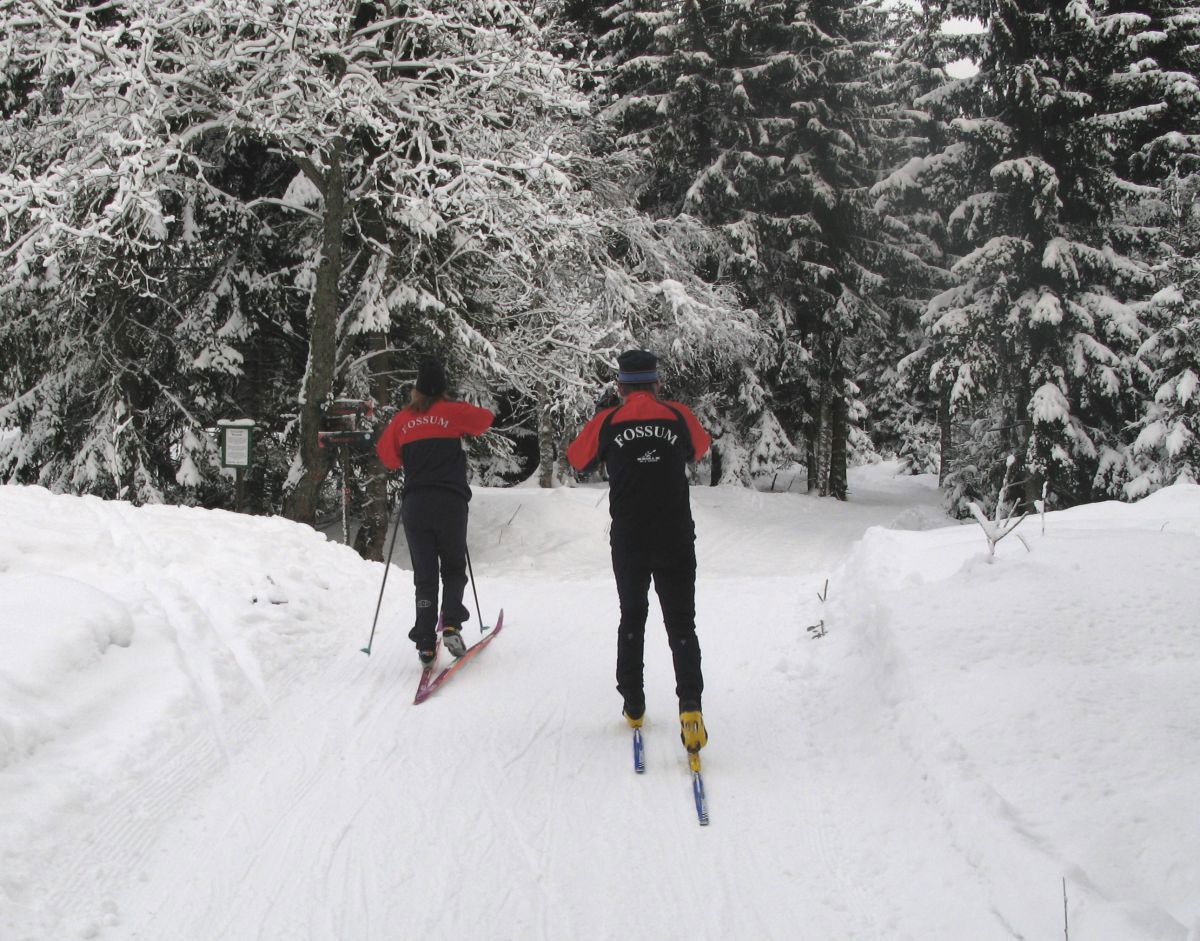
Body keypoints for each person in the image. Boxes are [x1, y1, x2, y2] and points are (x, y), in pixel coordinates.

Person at [566, 349, 712, 756]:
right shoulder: (678, 414)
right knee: (682, 625)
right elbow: (698, 449)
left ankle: (633, 705)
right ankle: (691, 709)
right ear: (657, 383)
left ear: (619, 386)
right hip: (675, 535)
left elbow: (577, 460)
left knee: (633, 617)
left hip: (630, 538)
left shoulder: (609, 420)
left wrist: (601, 419)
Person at [376, 358, 494, 664]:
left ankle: (426, 641)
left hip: (416, 504)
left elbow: (388, 458)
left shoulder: (403, 420)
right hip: (451, 504)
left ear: (415, 389)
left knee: (425, 575)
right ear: (443, 388)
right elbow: (485, 419)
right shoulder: (452, 413)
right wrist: (451, 410)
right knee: (454, 568)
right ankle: (452, 622)